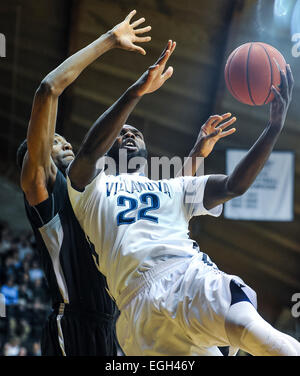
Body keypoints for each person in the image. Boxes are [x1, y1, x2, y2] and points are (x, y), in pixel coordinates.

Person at [66, 40, 300, 356]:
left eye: (135, 133)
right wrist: (136, 92)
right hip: (138, 313)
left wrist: (273, 128)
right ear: (107, 147)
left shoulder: (172, 189)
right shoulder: (90, 189)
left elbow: (233, 186)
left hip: (186, 278)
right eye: (122, 132)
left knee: (259, 337)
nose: (129, 135)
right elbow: (89, 151)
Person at [16, 10, 152, 356]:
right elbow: (48, 90)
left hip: (113, 328)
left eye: (66, 141)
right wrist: (110, 39)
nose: (66, 145)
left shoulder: (90, 195)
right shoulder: (45, 192)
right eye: (56, 142)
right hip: (73, 327)